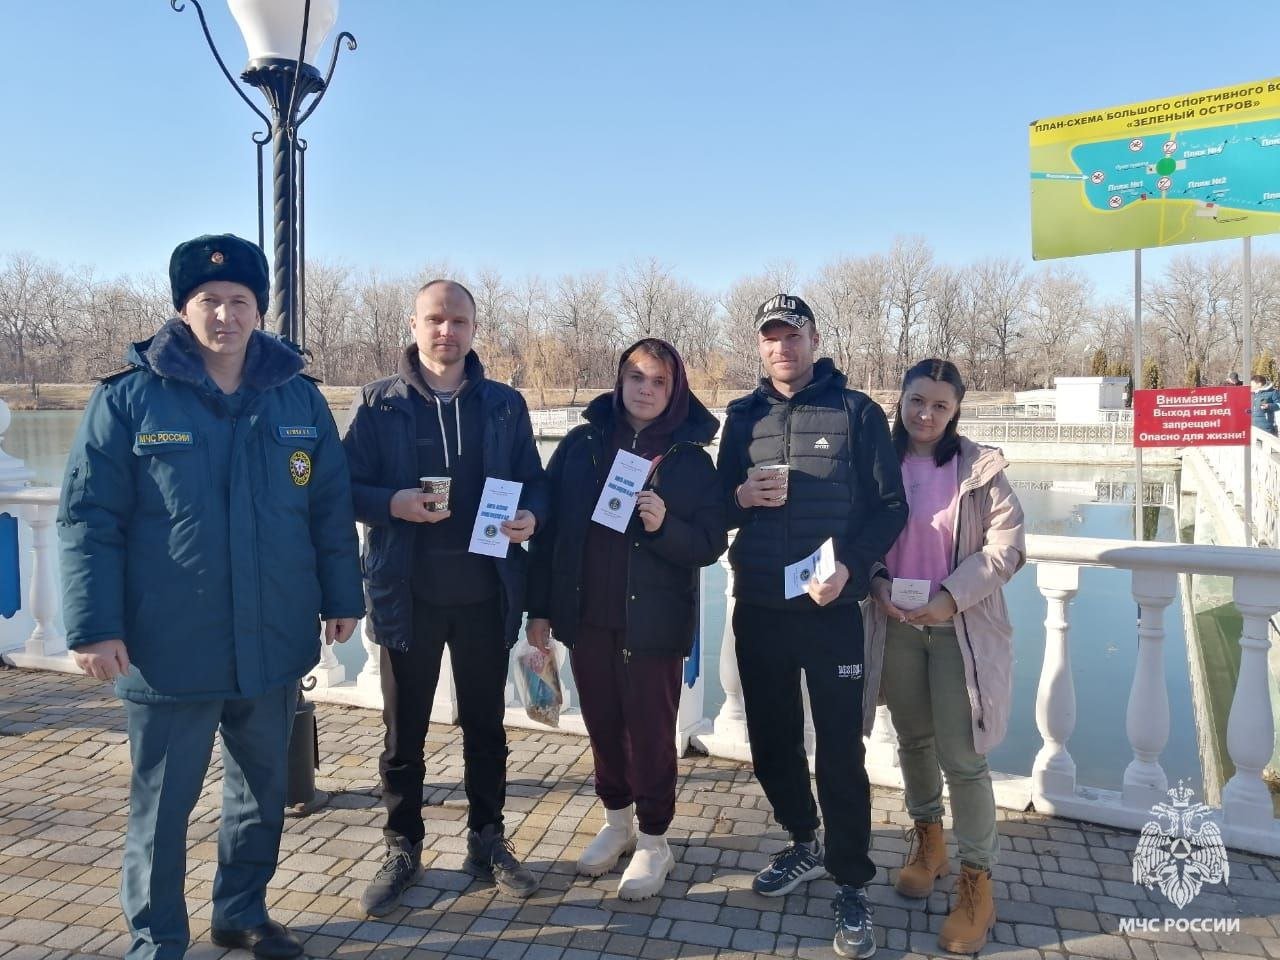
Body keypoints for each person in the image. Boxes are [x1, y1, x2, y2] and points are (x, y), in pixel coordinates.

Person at [58, 234, 364, 960]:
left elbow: (328, 506)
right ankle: (157, 939)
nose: (224, 315)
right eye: (209, 301)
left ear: (260, 310)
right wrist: (94, 627)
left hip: (272, 639)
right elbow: (88, 518)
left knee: (261, 796)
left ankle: (241, 911)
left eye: (239, 302)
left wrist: (340, 595)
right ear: (181, 308)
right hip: (170, 646)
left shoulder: (297, 399)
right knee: (162, 811)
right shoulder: (130, 399)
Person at [343, 279, 548, 915]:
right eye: (435, 319)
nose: (446, 331)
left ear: (474, 327)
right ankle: (403, 845)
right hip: (408, 595)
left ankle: (487, 839)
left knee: (486, 728)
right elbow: (342, 488)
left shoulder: (505, 406)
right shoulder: (378, 405)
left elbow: (537, 487)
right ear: (414, 324)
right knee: (403, 733)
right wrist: (392, 504)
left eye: (458, 320)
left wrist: (532, 520)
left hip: (486, 594)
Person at [717, 294, 907, 959]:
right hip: (761, 609)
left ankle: (852, 881)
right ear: (760, 347)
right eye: (770, 338)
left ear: (814, 339)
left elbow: (889, 509)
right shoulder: (741, 418)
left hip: (830, 613)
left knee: (839, 754)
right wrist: (739, 496)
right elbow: (716, 507)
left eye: (792, 336)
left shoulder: (856, 413)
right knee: (769, 745)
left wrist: (851, 572)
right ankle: (804, 841)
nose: (782, 348)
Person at [525, 339, 726, 900]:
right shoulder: (583, 445)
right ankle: (618, 823)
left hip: (654, 624)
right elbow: (555, 536)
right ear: (619, 380)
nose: (645, 389)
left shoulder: (689, 460)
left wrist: (665, 526)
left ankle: (655, 840)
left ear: (675, 389)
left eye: (658, 381)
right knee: (604, 726)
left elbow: (709, 542)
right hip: (588, 617)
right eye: (636, 376)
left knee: (653, 734)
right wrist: (539, 610)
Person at [864, 358, 1026, 955]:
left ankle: (977, 881)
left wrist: (952, 597)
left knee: (964, 756)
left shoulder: (979, 469)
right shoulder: (876, 461)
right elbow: (859, 531)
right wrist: (877, 581)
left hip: (958, 629)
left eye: (939, 404)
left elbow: (1008, 547)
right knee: (913, 741)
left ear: (956, 410)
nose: (925, 414)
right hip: (898, 622)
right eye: (916, 401)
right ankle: (928, 841)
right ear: (899, 401)